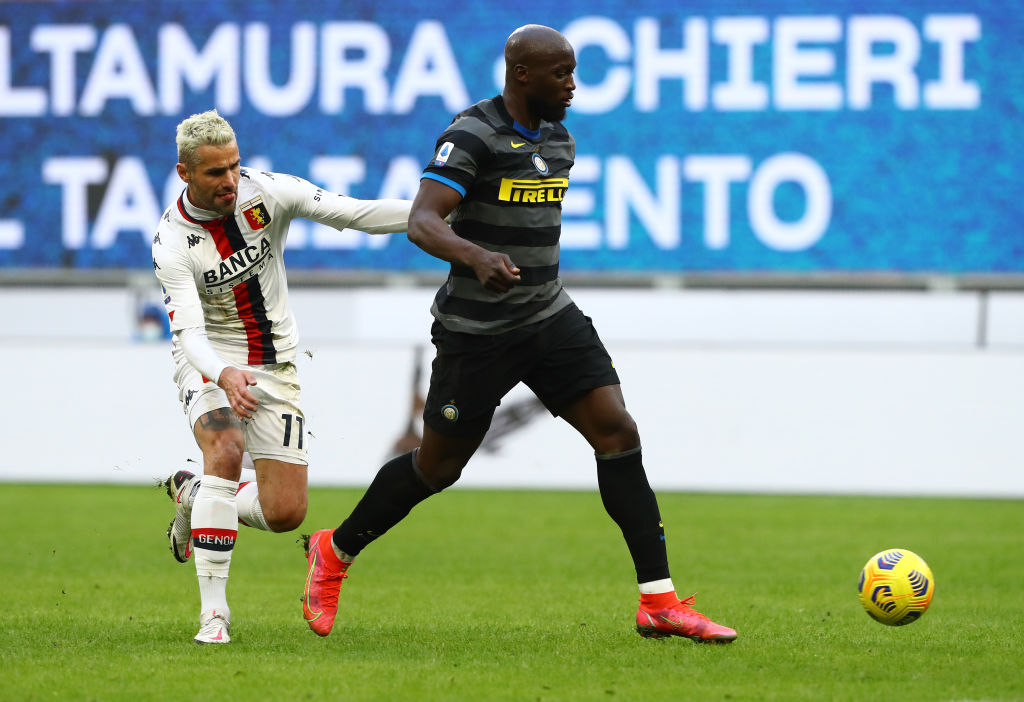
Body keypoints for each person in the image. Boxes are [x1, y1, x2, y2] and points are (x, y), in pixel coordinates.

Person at [301, 26, 736, 644]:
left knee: (617, 431)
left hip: (546, 316)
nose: (573, 86)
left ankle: (658, 602)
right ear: (522, 74)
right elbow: (423, 222)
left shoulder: (560, 139)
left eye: (574, 72)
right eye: (561, 74)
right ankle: (334, 551)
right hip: (477, 332)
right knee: (437, 467)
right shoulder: (470, 134)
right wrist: (476, 256)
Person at [152, 109, 411, 645]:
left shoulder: (267, 192)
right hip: (210, 360)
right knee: (224, 448)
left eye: (234, 166)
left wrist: (441, 213)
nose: (229, 181)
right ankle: (214, 616)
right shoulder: (172, 242)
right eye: (214, 173)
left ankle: (195, 495)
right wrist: (221, 373)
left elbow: (355, 214)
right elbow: (189, 334)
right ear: (184, 173)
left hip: (275, 364)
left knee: (286, 513)